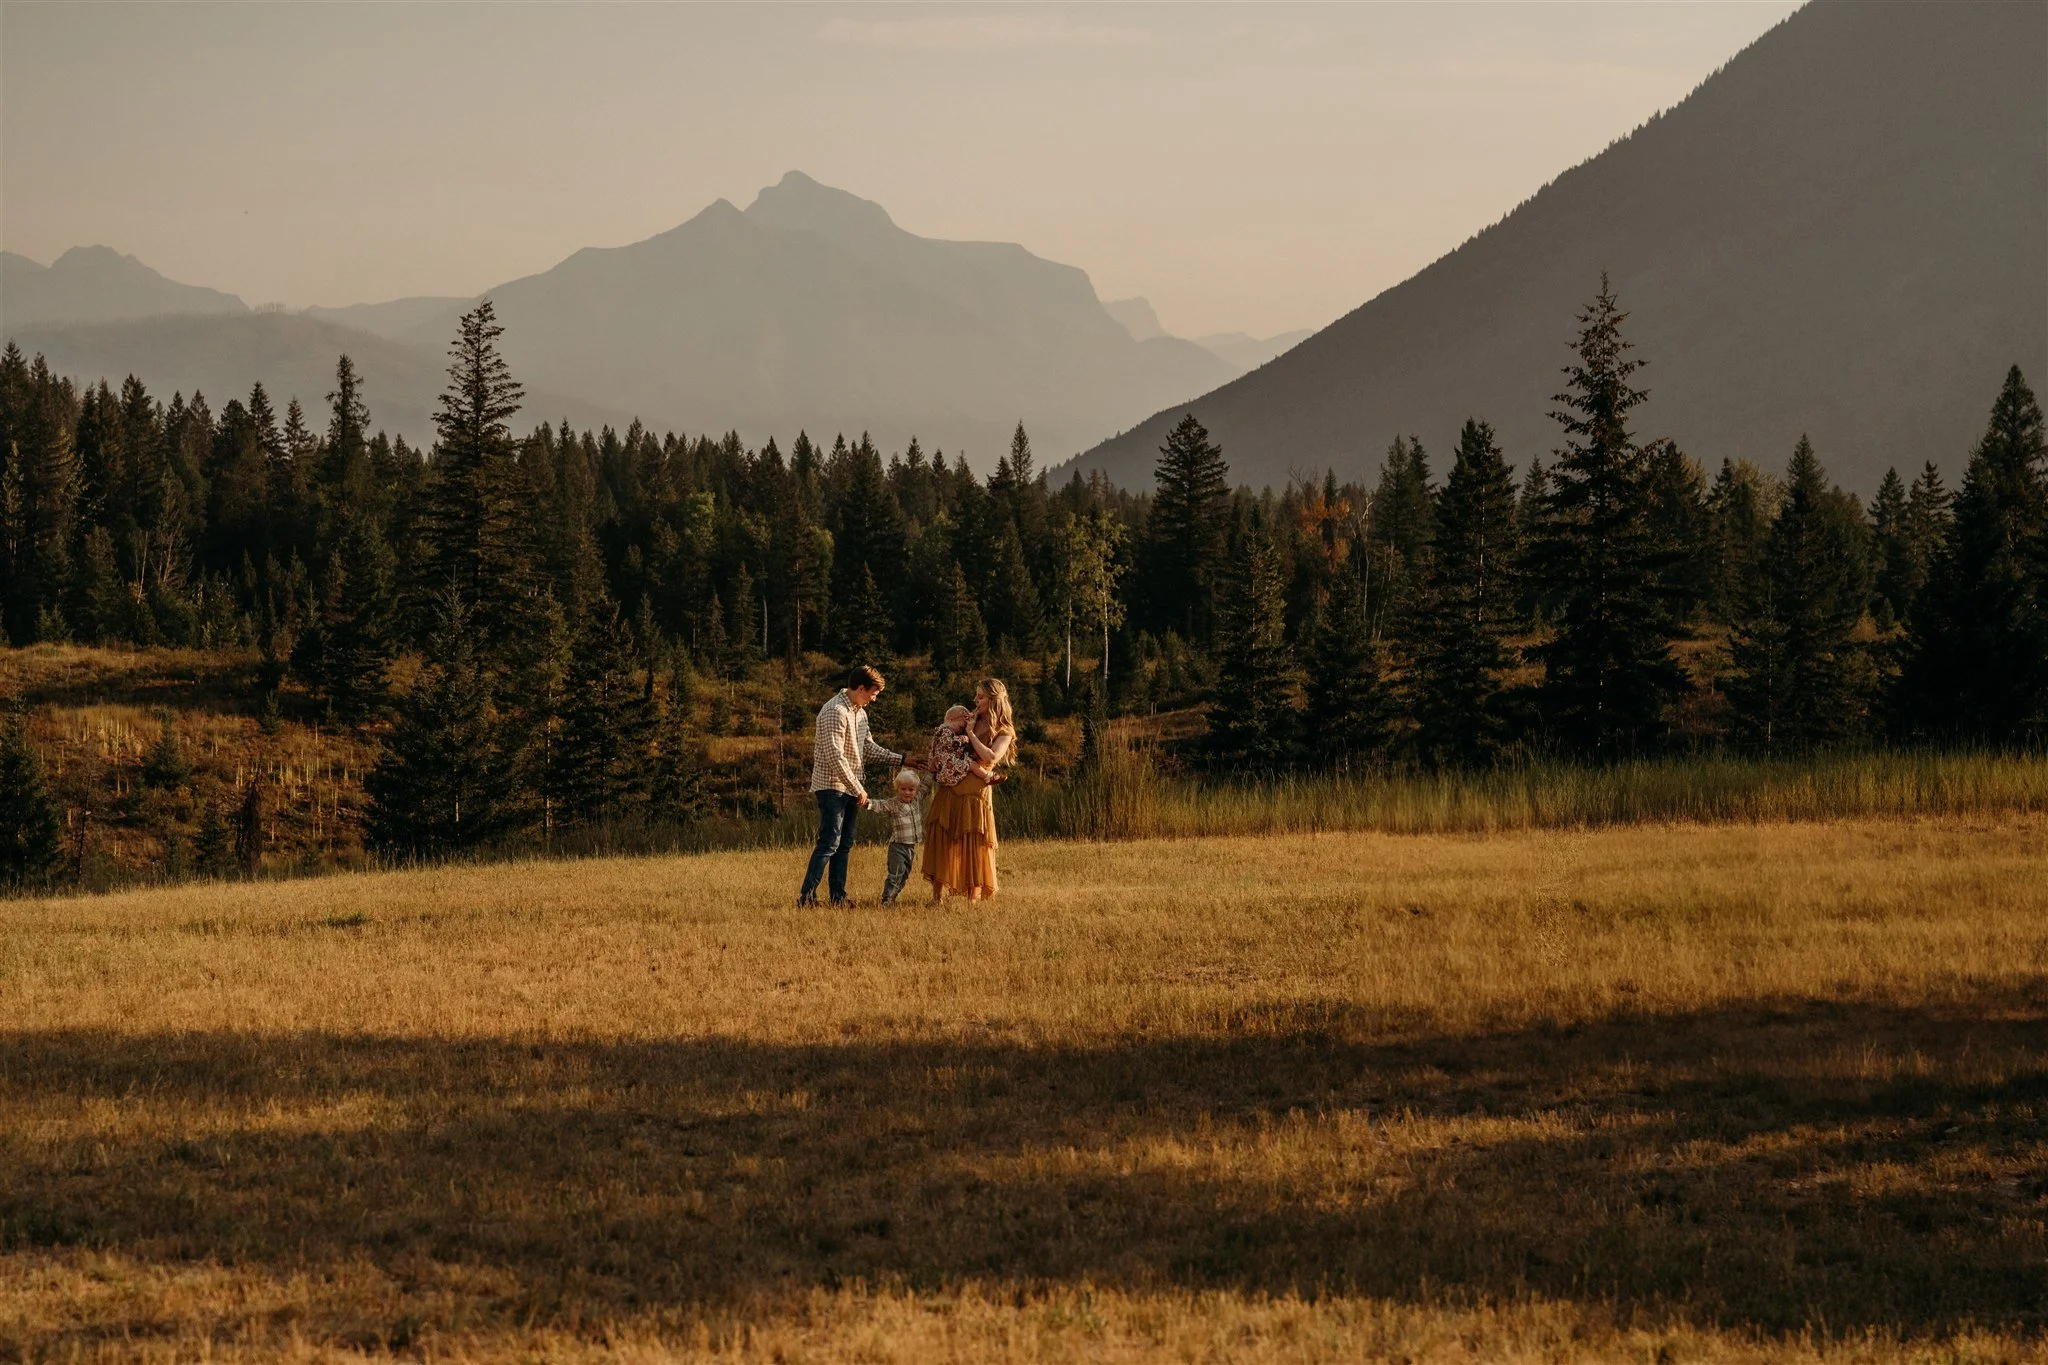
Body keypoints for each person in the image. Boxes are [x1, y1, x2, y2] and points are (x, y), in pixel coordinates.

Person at [798, 664, 902, 907]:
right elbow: (836, 757)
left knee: (844, 844)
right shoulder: (835, 711)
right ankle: (806, 897)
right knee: (829, 842)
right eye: (873, 694)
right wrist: (858, 789)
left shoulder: (859, 712)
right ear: (861, 688)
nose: (874, 700)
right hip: (832, 786)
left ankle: (838, 897)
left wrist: (902, 760)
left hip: (851, 786)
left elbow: (867, 748)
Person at [921, 677, 1017, 903]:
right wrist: (935, 758)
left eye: (981, 696)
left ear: (993, 700)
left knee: (973, 841)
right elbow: (945, 736)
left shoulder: (1004, 729)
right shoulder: (970, 717)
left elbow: (991, 756)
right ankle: (936, 897)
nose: (975, 700)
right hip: (950, 786)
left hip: (975, 792)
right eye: (976, 695)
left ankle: (972, 900)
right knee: (942, 837)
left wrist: (972, 735)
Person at [868, 769, 929, 905]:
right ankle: (887, 899)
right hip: (897, 847)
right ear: (897, 789)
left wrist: (931, 769)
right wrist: (867, 803)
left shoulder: (917, 799)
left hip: (911, 846)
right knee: (896, 873)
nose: (907, 792)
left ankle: (893, 896)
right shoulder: (894, 804)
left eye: (911, 789)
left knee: (904, 874)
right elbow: (880, 805)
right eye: (903, 789)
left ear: (915, 790)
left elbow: (925, 784)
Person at [926, 705, 1006, 788]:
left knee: (970, 762)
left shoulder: (939, 732)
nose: (961, 731)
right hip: (947, 768)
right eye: (960, 727)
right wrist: (963, 739)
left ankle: (988, 776)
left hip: (943, 771)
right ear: (951, 719)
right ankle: (988, 776)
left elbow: (934, 751)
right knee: (972, 764)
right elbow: (950, 742)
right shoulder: (944, 731)